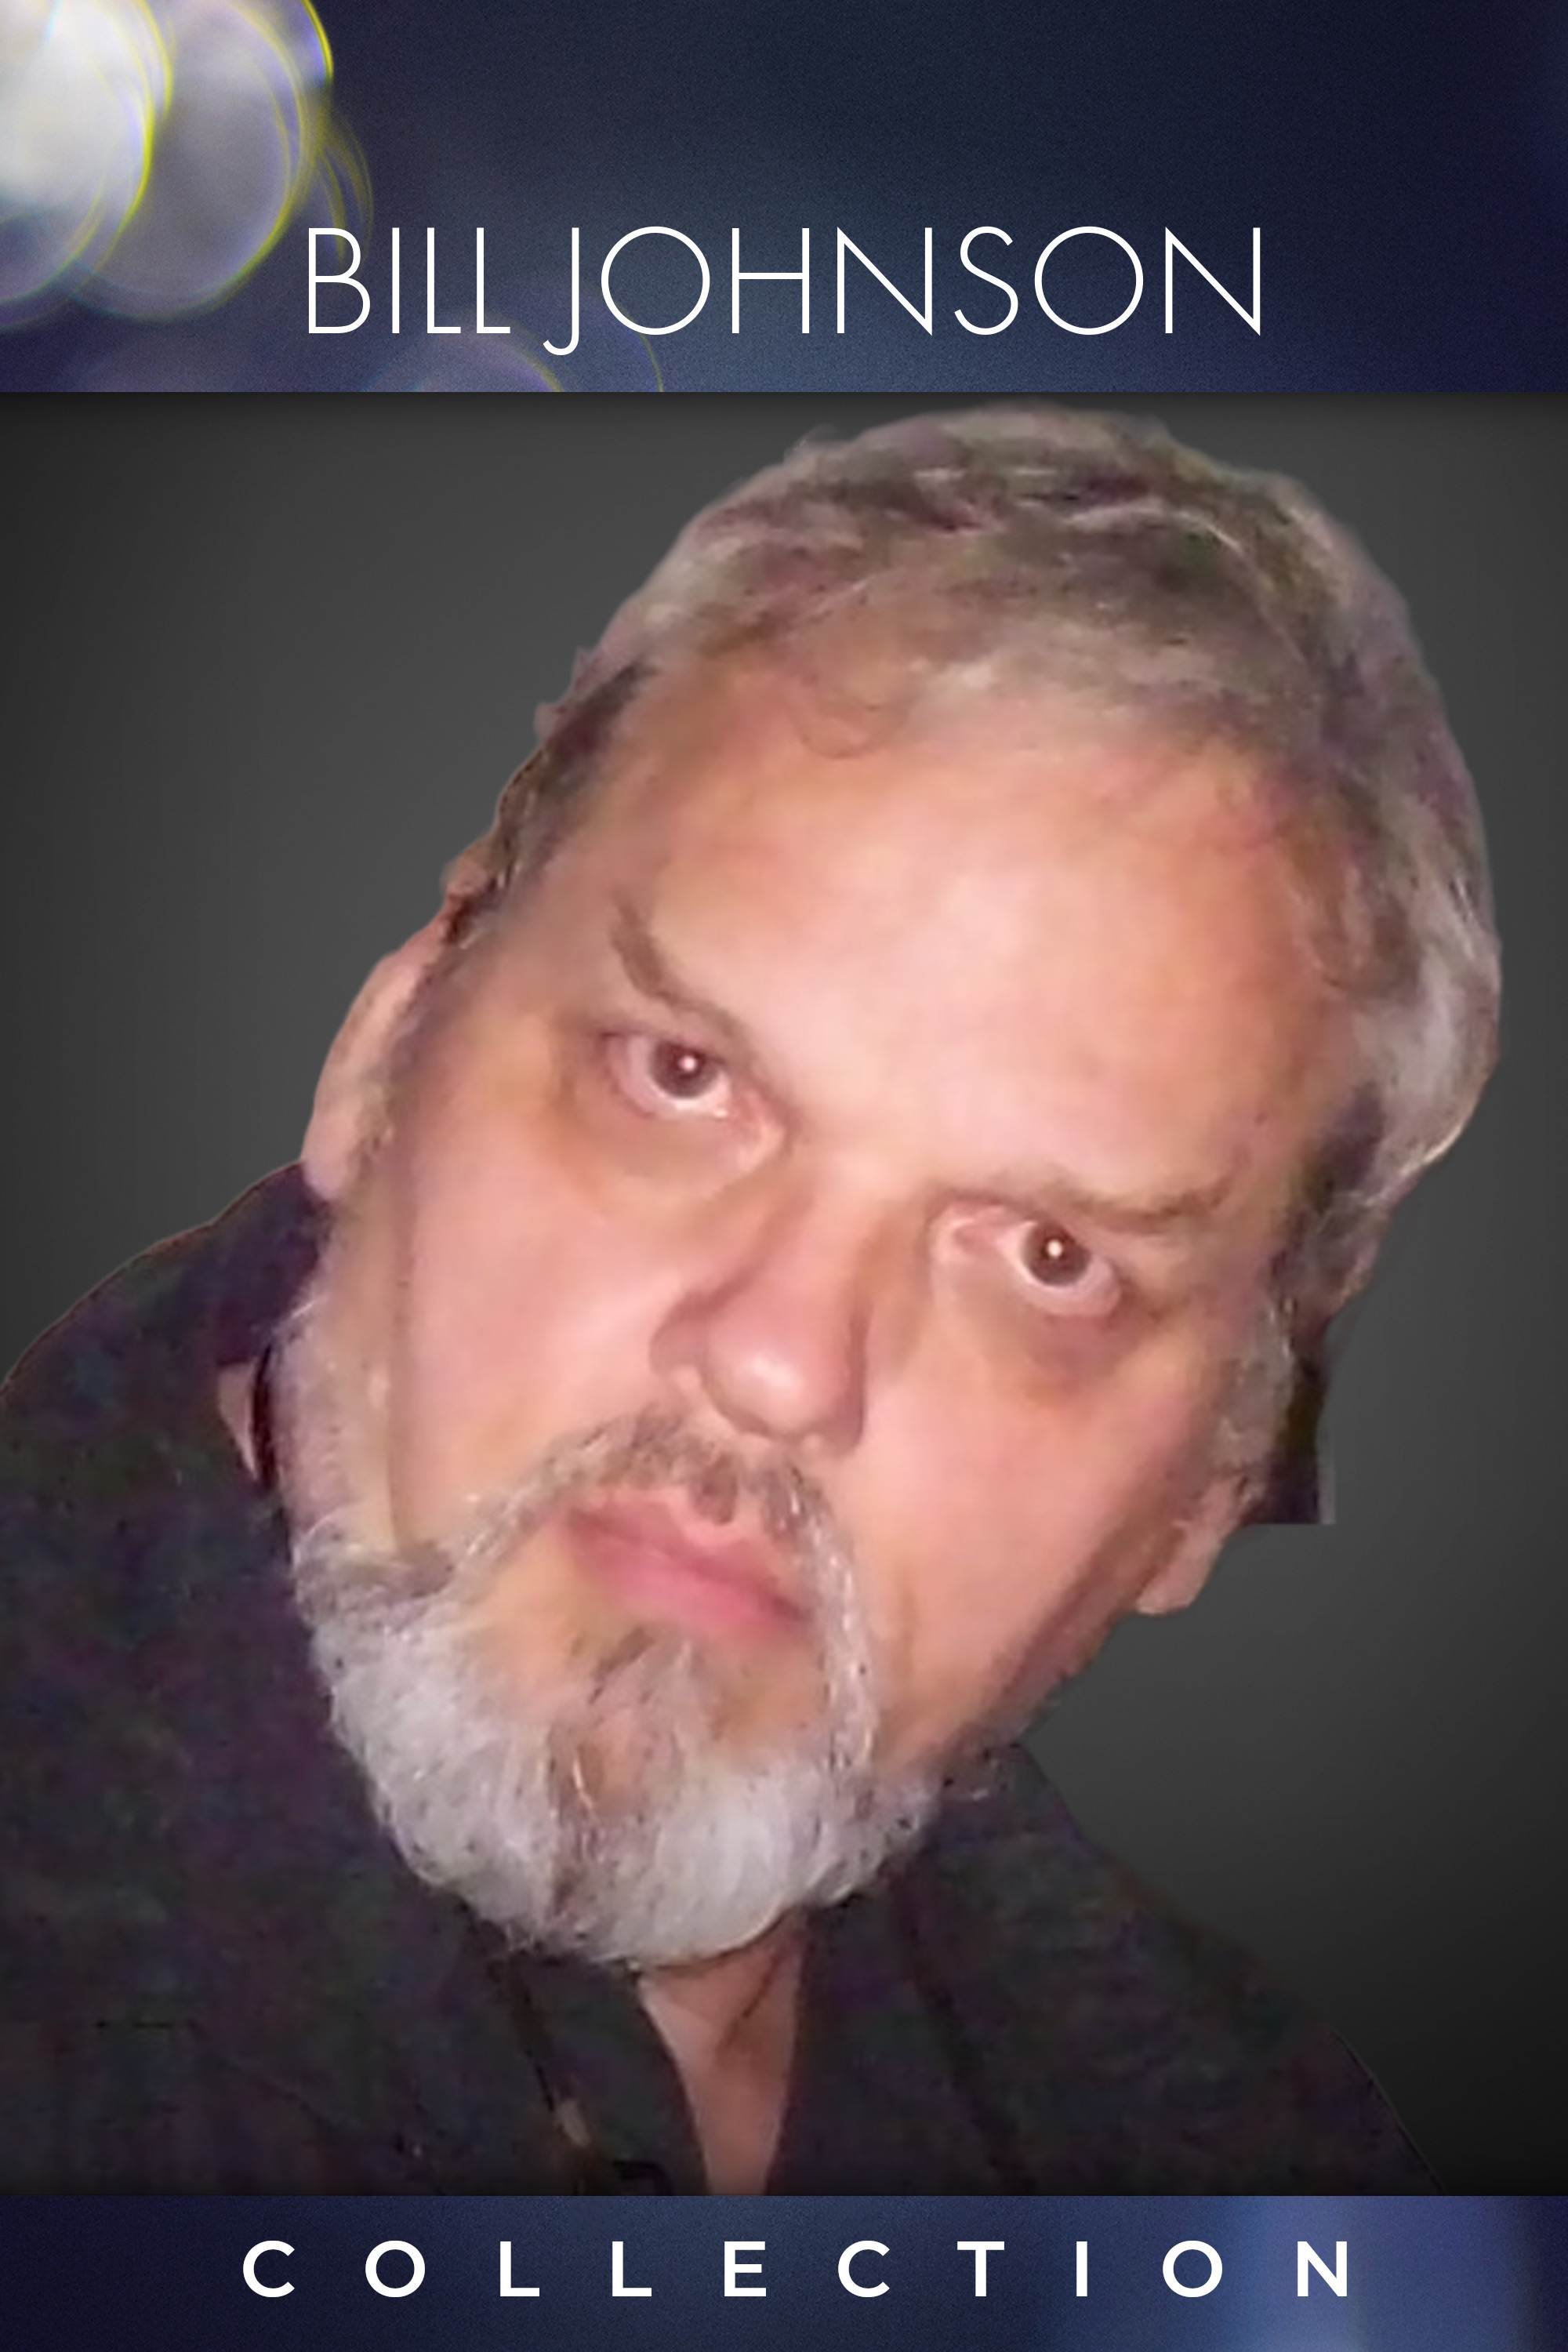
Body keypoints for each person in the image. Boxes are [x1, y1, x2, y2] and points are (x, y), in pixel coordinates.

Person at [0, 405, 1497, 2193]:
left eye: (1050, 1257)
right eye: (682, 1077)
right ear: (388, 1049)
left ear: (1212, 1482)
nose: (781, 1359)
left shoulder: (1272, 2181)